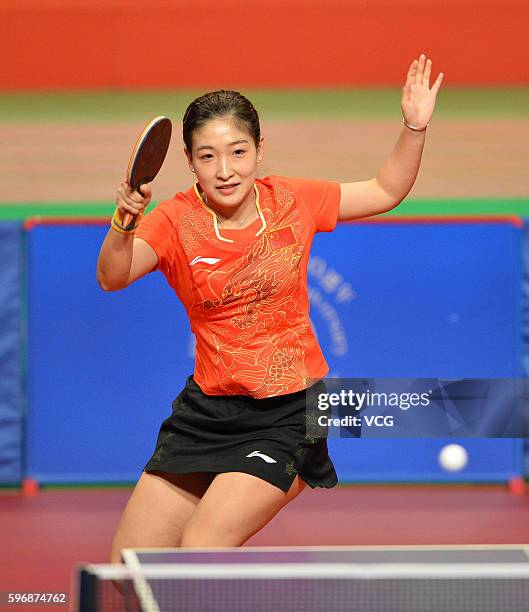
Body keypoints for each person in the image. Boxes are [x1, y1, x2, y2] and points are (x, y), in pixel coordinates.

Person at [97, 54, 443, 561]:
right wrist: (124, 221)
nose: (225, 169)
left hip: (290, 411)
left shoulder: (292, 200)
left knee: (202, 544)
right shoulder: (173, 219)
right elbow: (112, 276)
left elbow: (386, 190)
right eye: (208, 156)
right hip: (207, 413)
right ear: (190, 162)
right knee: (127, 566)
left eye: (237, 152)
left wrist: (414, 126)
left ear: (260, 151)